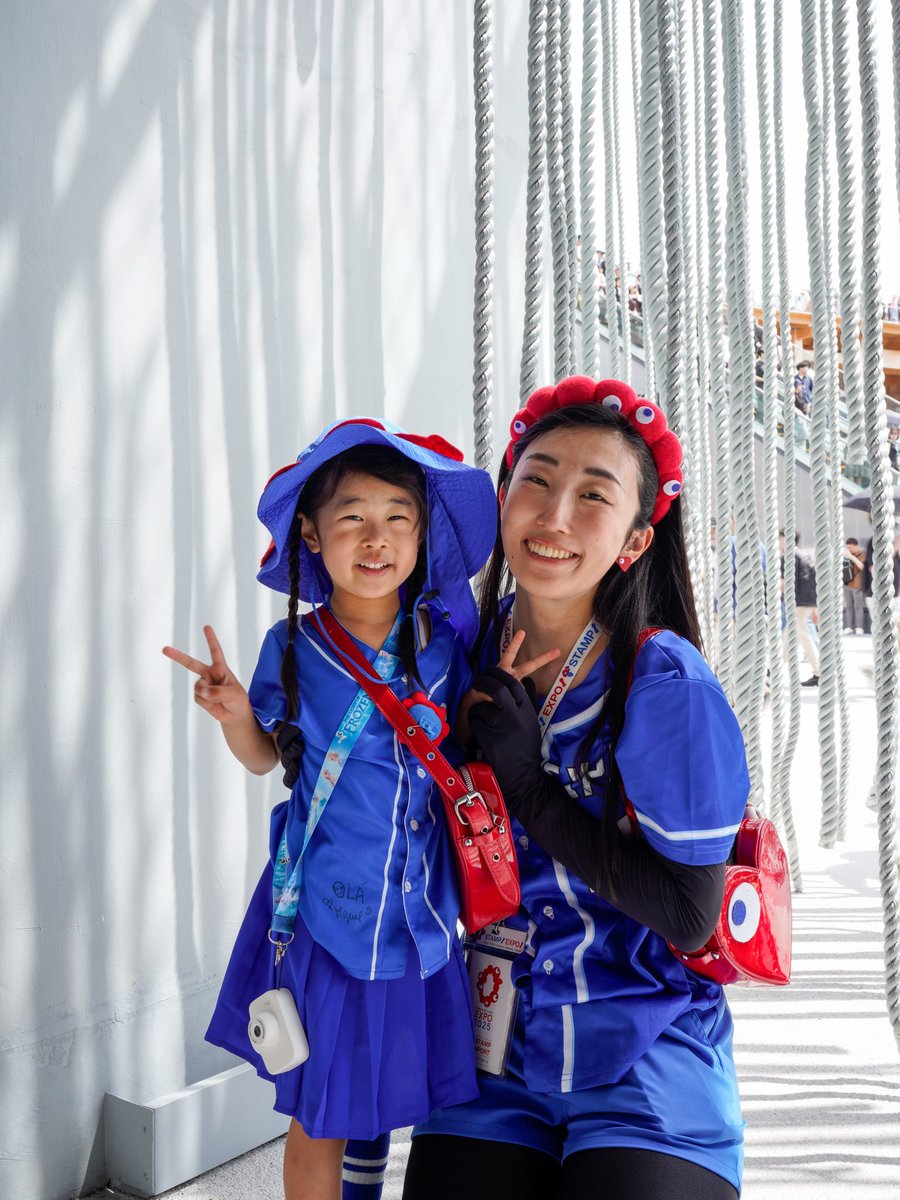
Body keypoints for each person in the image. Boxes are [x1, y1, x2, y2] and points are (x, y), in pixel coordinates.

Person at [402, 377, 750, 1200]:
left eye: (594, 494)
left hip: (644, 1050)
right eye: (538, 479)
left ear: (633, 541)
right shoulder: (454, 654)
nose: (554, 516)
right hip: (492, 1047)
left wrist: (527, 785)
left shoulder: (663, 685)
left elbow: (689, 912)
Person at [163, 418, 501, 1200]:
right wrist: (236, 716)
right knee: (319, 1114)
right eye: (352, 518)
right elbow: (265, 763)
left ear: (421, 536)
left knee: (381, 1097)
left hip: (419, 922)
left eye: (397, 518)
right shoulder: (292, 650)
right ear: (312, 535)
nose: (375, 539)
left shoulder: (445, 648)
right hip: (325, 921)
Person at [843, 536, 865, 634]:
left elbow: (862, 566)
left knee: (858, 606)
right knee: (848, 606)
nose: (849, 550)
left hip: (857, 584)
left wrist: (851, 557)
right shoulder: (845, 555)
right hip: (846, 584)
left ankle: (859, 627)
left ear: (856, 546)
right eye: (847, 548)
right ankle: (849, 627)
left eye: (851, 547)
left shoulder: (861, 554)